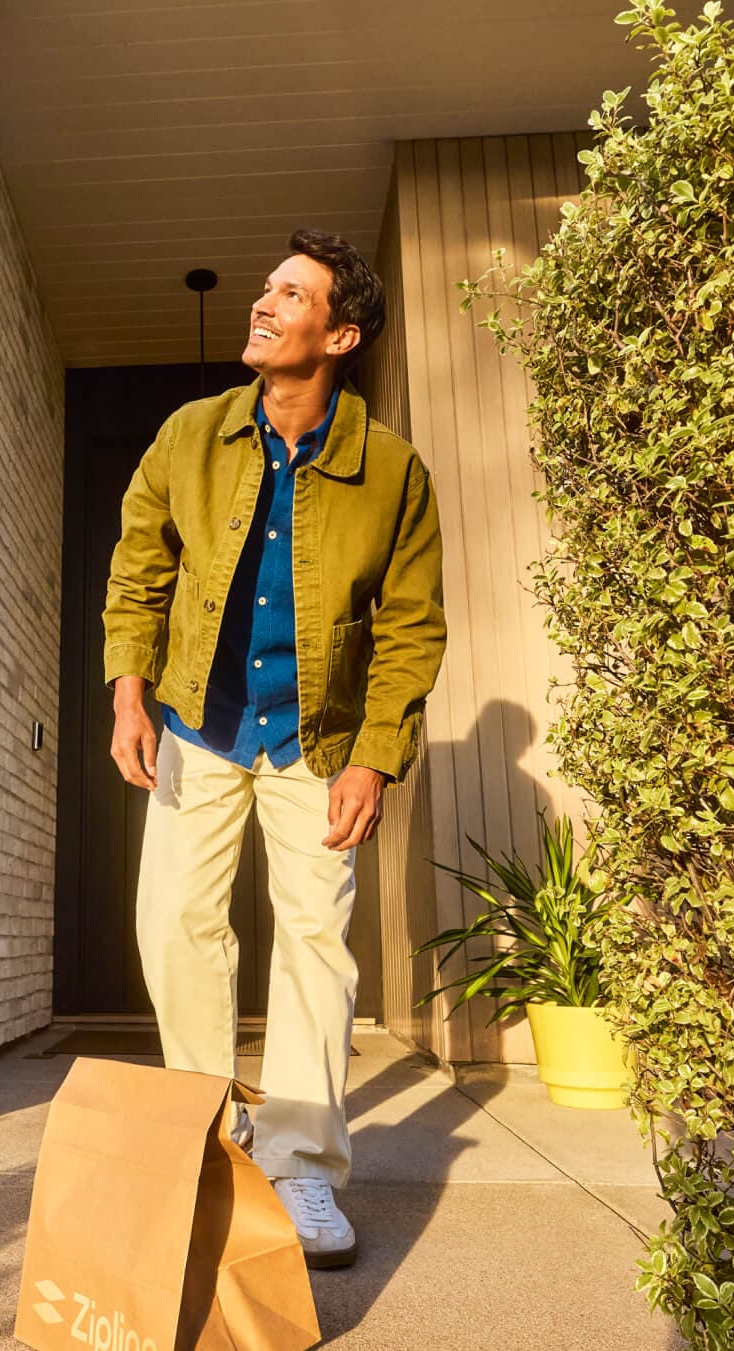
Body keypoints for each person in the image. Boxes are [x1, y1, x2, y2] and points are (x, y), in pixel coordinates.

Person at [102, 227, 446, 1268]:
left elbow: (410, 626)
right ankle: (210, 1136)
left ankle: (300, 1163)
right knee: (174, 924)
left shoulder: (392, 470)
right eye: (265, 288)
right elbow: (138, 570)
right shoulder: (189, 435)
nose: (263, 302)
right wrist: (128, 695)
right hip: (196, 723)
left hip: (317, 738)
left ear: (339, 335)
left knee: (314, 944)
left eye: (290, 295)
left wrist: (373, 757)